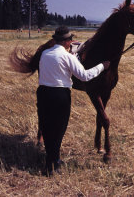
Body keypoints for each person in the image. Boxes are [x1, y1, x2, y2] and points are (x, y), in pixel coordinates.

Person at [37, 26, 110, 176]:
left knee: (47, 127)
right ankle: (53, 165)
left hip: (43, 93)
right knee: (58, 130)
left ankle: (51, 160)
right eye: (70, 40)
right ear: (66, 42)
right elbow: (84, 76)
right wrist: (102, 66)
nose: (71, 43)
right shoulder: (68, 57)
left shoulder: (44, 53)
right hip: (60, 94)